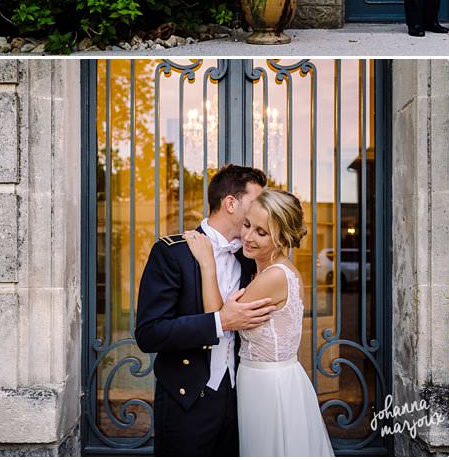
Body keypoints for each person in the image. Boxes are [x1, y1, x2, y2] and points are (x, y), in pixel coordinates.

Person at [134, 165, 276, 456]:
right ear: (231, 203)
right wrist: (219, 322)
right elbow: (149, 333)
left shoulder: (251, 257)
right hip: (187, 400)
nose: (261, 210)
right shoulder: (172, 252)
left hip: (239, 397)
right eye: (256, 202)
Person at [185, 189, 333, 457]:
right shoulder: (266, 271)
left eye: (261, 232)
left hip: (269, 385)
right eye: (247, 225)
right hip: (263, 379)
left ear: (283, 237)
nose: (248, 237)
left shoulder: (274, 277)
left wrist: (207, 264)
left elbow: (219, 316)